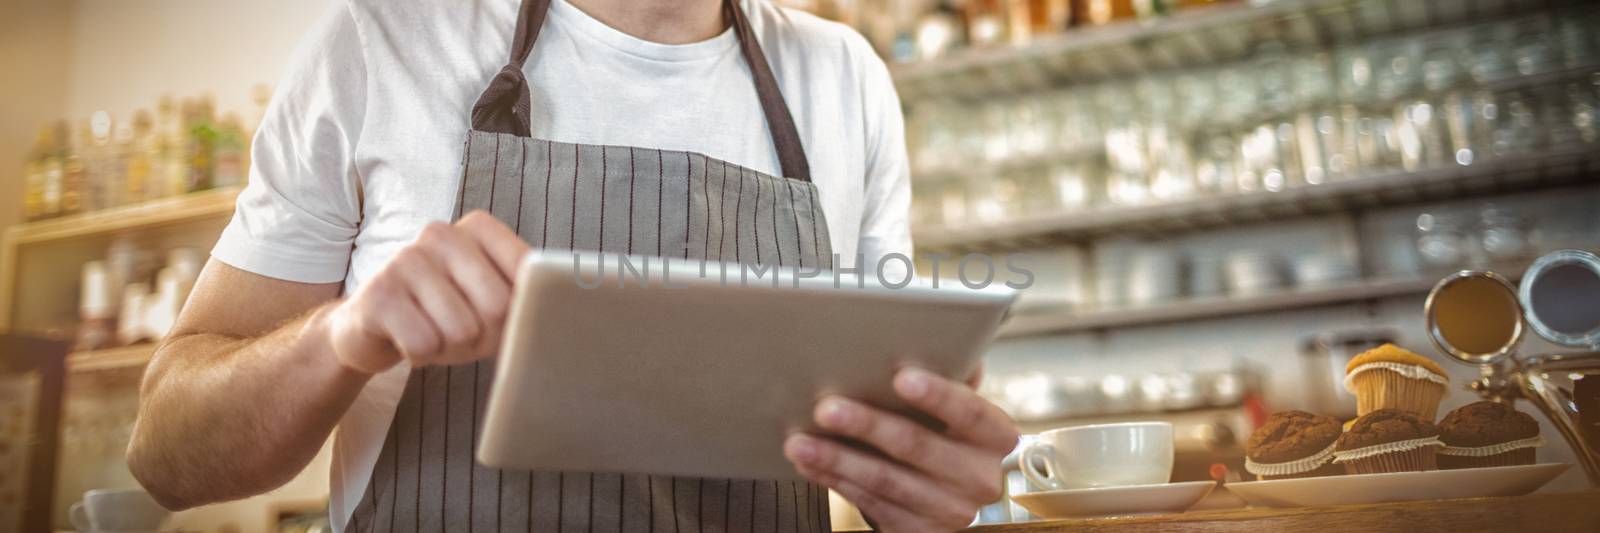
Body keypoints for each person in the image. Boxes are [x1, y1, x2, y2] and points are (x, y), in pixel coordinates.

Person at [126, 0, 1019, 531]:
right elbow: (165, 454)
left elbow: (890, 443)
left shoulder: (845, 80)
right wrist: (342, 336)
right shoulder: (380, 43)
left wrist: (927, 494)